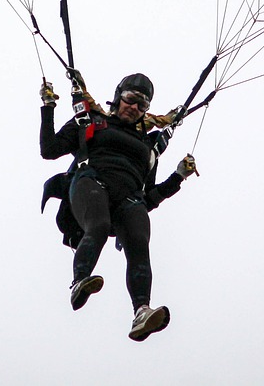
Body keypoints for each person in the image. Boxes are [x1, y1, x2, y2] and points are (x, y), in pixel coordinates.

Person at [39, 70, 198, 342]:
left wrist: (178, 177)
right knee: (98, 225)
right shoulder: (91, 121)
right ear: (118, 97)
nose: (134, 107)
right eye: (131, 99)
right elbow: (49, 149)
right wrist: (48, 107)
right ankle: (80, 281)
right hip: (91, 181)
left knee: (138, 240)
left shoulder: (148, 147)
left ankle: (141, 311)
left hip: (129, 198)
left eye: (143, 104)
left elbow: (150, 197)